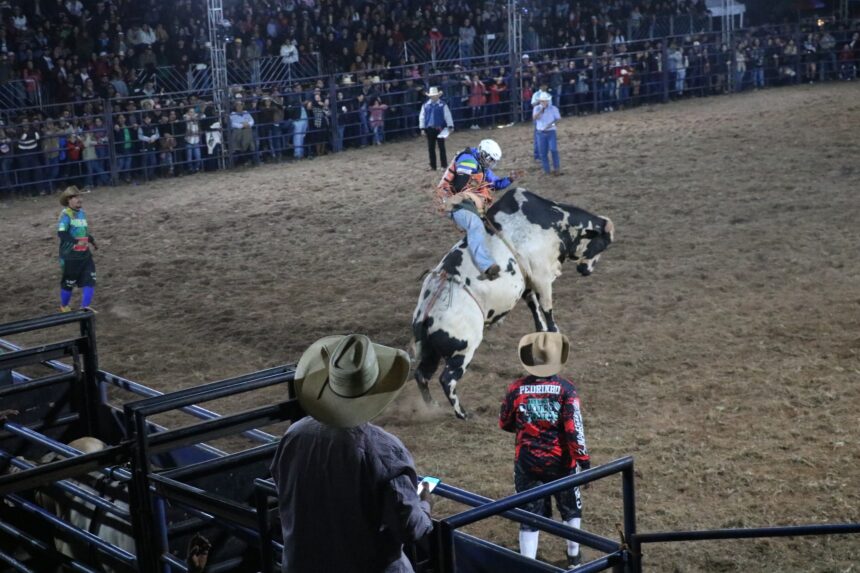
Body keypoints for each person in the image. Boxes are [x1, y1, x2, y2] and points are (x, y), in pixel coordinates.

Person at [270, 334, 434, 573]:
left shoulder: (294, 436)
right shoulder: (383, 450)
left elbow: (281, 486)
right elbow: (408, 527)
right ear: (376, 389)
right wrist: (425, 506)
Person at [499, 331, 591, 567]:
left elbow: (505, 422)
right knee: (571, 508)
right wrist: (584, 459)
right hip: (561, 462)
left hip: (527, 461)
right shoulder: (566, 390)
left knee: (528, 514)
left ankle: (528, 565)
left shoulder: (516, 389)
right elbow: (574, 429)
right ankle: (574, 558)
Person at [436, 139, 519, 280]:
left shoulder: (480, 164)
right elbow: (459, 185)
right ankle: (486, 267)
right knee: (475, 225)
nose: (492, 164)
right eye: (491, 160)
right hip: (452, 200)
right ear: (484, 155)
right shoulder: (468, 160)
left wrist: (509, 179)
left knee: (486, 224)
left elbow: (495, 184)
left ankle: (478, 254)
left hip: (465, 200)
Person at [57, 186, 98, 312]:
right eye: (75, 197)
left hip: (84, 254)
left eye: (80, 197)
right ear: (69, 200)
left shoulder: (82, 213)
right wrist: (76, 241)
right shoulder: (66, 215)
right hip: (70, 256)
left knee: (90, 279)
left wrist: (92, 240)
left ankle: (84, 307)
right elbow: (61, 233)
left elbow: (83, 232)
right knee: (68, 283)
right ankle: (64, 306)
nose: (79, 199)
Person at [418, 86, 454, 171]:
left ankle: (443, 165)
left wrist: (450, 126)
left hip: (440, 128)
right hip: (430, 128)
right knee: (431, 148)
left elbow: (447, 115)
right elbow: (422, 117)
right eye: (432, 95)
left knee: (441, 147)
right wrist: (422, 128)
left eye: (435, 95)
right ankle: (433, 165)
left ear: (437, 96)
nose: (433, 97)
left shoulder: (441, 105)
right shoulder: (426, 105)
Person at [532, 92, 562, 176]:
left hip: (550, 131)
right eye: (542, 101)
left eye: (545, 101)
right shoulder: (537, 108)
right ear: (540, 101)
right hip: (540, 132)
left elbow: (558, 119)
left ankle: (556, 168)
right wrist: (541, 110)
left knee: (554, 150)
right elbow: (534, 118)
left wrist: (551, 125)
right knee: (543, 153)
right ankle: (547, 171)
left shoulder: (553, 108)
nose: (544, 103)